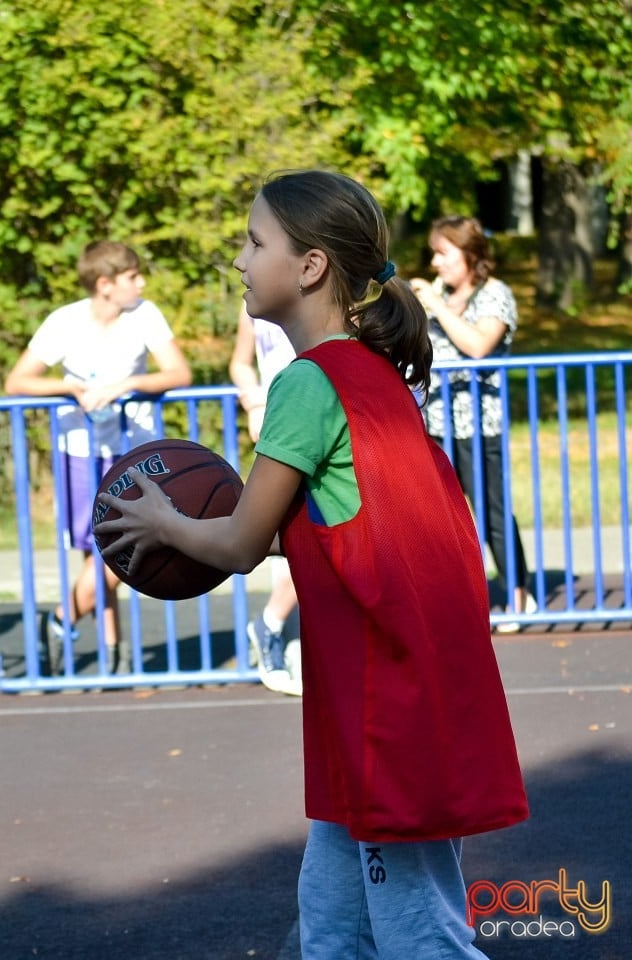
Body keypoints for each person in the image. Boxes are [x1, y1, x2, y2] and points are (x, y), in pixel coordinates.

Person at [95, 170, 529, 959]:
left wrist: (159, 518)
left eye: (255, 242)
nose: (239, 260)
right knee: (331, 930)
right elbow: (284, 532)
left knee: (422, 940)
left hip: (384, 712)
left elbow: (236, 542)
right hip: (380, 705)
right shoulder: (372, 375)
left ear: (311, 266)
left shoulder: (309, 381)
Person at [5, 240, 192, 676]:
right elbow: (18, 381)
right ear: (105, 284)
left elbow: (179, 373)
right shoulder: (64, 322)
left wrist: (127, 384)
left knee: (128, 548)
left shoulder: (144, 314)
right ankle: (115, 652)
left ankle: (61, 620)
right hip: (80, 452)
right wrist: (68, 388)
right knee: (101, 555)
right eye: (132, 276)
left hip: (135, 454)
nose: (141, 282)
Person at [410, 216, 536, 633]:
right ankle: (454, 595)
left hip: (480, 423)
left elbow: (478, 346)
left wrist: (437, 307)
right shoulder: (438, 296)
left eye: (444, 253)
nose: (436, 262)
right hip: (437, 424)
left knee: (492, 509)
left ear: (469, 254)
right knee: (440, 514)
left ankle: (518, 595)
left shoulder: (494, 294)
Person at [229, 305, 301, 695]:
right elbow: (240, 362)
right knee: (303, 535)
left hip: (313, 419)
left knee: (315, 536)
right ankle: (272, 627)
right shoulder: (255, 304)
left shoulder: (329, 292)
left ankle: (274, 627)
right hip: (281, 426)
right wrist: (254, 400)